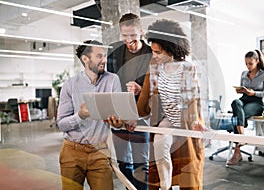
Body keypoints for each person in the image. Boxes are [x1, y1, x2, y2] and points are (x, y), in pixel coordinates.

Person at [135, 19, 206, 190]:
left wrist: (196, 123)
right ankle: (165, 185)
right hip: (165, 121)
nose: (154, 55)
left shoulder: (188, 68)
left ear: (171, 49)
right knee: (160, 146)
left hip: (185, 124)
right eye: (153, 51)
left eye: (158, 52)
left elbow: (194, 101)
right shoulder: (154, 68)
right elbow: (146, 102)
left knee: (188, 173)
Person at [56, 40, 124, 190]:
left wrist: (118, 123)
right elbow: (61, 124)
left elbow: (118, 118)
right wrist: (80, 115)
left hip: (100, 151)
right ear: (85, 59)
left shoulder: (112, 80)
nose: (104, 60)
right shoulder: (70, 85)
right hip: (72, 151)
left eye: (105, 56)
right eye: (99, 56)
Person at [107, 13, 152, 189]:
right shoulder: (115, 51)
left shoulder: (151, 53)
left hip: (141, 114)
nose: (129, 40)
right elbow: (109, 83)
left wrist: (141, 89)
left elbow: (156, 88)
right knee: (123, 162)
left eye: (133, 35)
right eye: (124, 36)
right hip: (119, 115)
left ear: (141, 32)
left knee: (142, 162)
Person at [227, 49, 264, 165]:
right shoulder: (243, 74)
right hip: (244, 99)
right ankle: (242, 136)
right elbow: (242, 90)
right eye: (246, 63)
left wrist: (254, 93)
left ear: (257, 61)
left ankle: (237, 153)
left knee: (236, 117)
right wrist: (241, 90)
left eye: (250, 63)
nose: (248, 66)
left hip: (256, 102)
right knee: (235, 102)